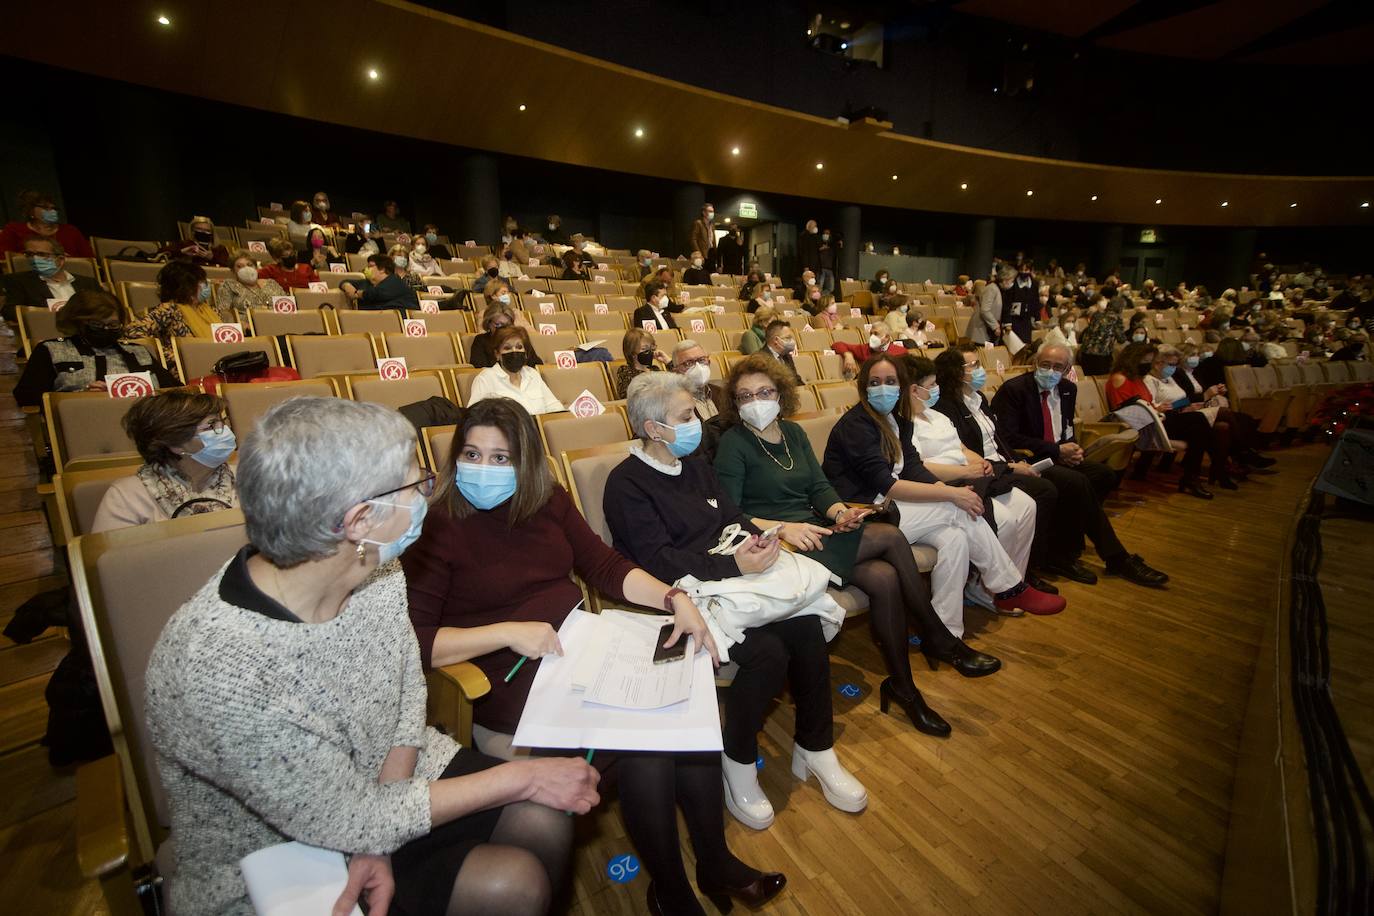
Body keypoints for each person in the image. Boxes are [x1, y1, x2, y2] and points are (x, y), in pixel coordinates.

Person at [145, 397, 597, 916]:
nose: (428, 494)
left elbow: (405, 691)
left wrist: (384, 817)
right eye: (414, 484)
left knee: (545, 816)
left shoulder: (376, 568)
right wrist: (524, 775)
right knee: (511, 881)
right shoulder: (219, 668)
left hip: (389, 777)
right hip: (277, 853)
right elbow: (340, 815)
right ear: (360, 519)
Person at [403, 398, 784, 916]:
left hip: (579, 651)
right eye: (472, 454)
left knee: (685, 712)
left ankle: (713, 861)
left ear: (525, 462)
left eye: (500, 458)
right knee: (648, 746)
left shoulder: (546, 499)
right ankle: (672, 892)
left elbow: (603, 566)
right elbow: (415, 641)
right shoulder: (436, 524)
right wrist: (505, 633)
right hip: (507, 679)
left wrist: (675, 598)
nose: (483, 469)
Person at [609, 372, 867, 832]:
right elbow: (657, 560)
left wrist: (758, 542)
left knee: (807, 628)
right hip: (683, 593)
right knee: (768, 653)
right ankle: (737, 758)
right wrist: (735, 566)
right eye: (685, 417)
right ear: (653, 428)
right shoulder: (627, 483)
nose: (696, 423)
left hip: (731, 580)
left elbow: (732, 516)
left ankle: (815, 748)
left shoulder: (694, 464)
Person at [714, 355, 1000, 738]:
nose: (756, 401)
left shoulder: (793, 433)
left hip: (815, 528)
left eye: (764, 392)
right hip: (781, 542)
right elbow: (731, 514)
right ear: (735, 403)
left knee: (883, 577)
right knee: (889, 536)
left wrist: (839, 512)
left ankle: (904, 688)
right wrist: (785, 529)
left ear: (780, 394)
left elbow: (818, 487)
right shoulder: (733, 444)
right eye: (746, 395)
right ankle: (938, 638)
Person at [822, 354, 1065, 635]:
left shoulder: (897, 419)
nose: (883, 388)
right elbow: (887, 485)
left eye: (890, 381)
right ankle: (1009, 587)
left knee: (955, 538)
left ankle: (946, 632)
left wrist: (945, 490)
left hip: (892, 506)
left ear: (901, 386)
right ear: (864, 387)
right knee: (957, 508)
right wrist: (951, 495)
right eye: (875, 382)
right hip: (861, 514)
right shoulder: (856, 425)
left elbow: (912, 466)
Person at [942, 345, 1167, 588]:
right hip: (1028, 456)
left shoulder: (1066, 389)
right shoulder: (1013, 390)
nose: (1050, 371)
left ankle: (1065, 548)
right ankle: (1113, 557)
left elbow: (1063, 428)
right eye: (1045, 365)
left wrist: (1071, 449)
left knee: (1102, 475)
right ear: (1034, 364)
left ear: (1068, 369)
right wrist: (1048, 453)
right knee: (1072, 483)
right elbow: (1007, 437)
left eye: (1058, 367)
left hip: (1039, 456)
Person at [904, 355, 1039, 588]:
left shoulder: (938, 415)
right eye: (931, 385)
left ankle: (1016, 580)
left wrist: (981, 463)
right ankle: (983, 587)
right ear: (914, 390)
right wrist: (965, 472)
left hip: (971, 475)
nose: (937, 389)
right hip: (945, 482)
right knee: (1005, 521)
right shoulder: (905, 423)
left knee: (1027, 506)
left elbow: (962, 448)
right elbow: (918, 467)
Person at [91, 391, 237, 532]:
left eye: (222, 422)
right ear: (176, 444)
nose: (225, 431)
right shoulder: (126, 497)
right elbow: (112, 549)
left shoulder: (245, 477)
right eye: (211, 426)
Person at [1106, 342, 1231, 498]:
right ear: (1133, 359)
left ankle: (1193, 477)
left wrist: (1159, 409)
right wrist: (1156, 410)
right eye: (1145, 361)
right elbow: (1126, 410)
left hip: (1155, 417)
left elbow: (1147, 404)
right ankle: (1200, 475)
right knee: (1200, 422)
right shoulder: (1120, 378)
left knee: (1202, 426)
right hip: (1143, 424)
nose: (1148, 365)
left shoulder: (1138, 378)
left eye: (1150, 361)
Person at [13, 290, 177, 408]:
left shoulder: (137, 351)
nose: (105, 329)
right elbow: (26, 397)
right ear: (78, 322)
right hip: (86, 423)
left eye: (113, 324)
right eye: (97, 324)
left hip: (147, 423)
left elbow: (174, 390)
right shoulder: (51, 350)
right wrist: (81, 397)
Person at [127, 261, 225, 353]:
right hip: (189, 363)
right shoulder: (170, 309)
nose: (206, 285)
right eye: (202, 282)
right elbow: (133, 332)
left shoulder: (212, 310)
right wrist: (168, 355)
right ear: (187, 286)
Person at [468, 327, 562, 415]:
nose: (514, 351)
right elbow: (474, 417)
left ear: (525, 353)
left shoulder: (533, 374)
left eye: (519, 347)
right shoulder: (485, 379)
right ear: (497, 354)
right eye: (507, 348)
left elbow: (554, 407)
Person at [2, 236, 100, 318]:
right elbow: (10, 312)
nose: (34, 259)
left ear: (60, 259)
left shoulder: (89, 283)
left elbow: (105, 309)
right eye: (29, 254)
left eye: (41, 254)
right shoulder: (17, 281)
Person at [0, 190, 93, 257]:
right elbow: (5, 258)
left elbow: (90, 259)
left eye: (53, 208)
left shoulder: (70, 231)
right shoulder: (13, 230)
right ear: (31, 211)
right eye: (45, 208)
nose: (52, 211)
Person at [215, 250, 285, 322]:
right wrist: (240, 323)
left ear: (256, 267)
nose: (246, 269)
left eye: (250, 265)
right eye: (239, 266)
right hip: (247, 326)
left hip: (278, 322)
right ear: (233, 270)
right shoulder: (229, 285)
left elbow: (287, 305)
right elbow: (223, 313)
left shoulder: (271, 283)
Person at [341, 254, 421, 311]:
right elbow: (344, 281)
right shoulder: (367, 283)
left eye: (370, 266)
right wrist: (346, 285)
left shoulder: (395, 281)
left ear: (382, 269)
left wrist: (359, 294)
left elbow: (378, 293)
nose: (366, 269)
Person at [832, 323, 907, 378]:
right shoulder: (864, 348)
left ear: (886, 337)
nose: (872, 337)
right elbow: (837, 345)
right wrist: (848, 355)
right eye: (871, 334)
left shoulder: (901, 352)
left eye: (876, 334)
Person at [1078, 295, 1127, 376]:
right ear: (1121, 308)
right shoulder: (1116, 318)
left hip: (1085, 351)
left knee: (1088, 378)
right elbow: (1121, 339)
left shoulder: (1097, 314)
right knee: (1100, 378)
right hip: (1101, 355)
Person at [615, 327, 668, 399]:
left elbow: (676, 385)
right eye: (644, 349)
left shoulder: (655, 370)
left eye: (651, 348)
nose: (649, 352)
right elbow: (627, 396)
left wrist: (667, 361)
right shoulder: (626, 371)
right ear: (632, 353)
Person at [161, 216, 230, 266]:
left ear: (212, 233)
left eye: (207, 231)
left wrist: (212, 258)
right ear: (192, 231)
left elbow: (229, 264)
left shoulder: (219, 248)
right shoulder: (184, 244)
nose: (203, 233)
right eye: (199, 229)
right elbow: (161, 253)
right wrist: (182, 252)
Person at [757, 320, 802, 384]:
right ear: (776, 340)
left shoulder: (787, 356)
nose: (792, 341)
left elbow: (796, 379)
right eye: (788, 338)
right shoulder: (760, 359)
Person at [965, 273, 1004, 344]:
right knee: (982, 349)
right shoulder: (992, 288)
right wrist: (995, 326)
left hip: (988, 327)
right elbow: (985, 310)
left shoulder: (995, 288)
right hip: (983, 327)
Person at [691, 204, 716, 271]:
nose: (712, 213)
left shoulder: (712, 225)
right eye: (710, 211)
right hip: (703, 252)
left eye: (713, 211)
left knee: (712, 272)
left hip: (711, 252)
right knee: (703, 271)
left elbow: (713, 240)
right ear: (704, 213)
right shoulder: (698, 223)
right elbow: (693, 239)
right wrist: (698, 252)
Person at [816, 228, 838, 295]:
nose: (826, 235)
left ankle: (824, 298)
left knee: (831, 288)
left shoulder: (832, 246)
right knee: (819, 287)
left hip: (830, 269)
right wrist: (820, 249)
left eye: (827, 233)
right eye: (825, 233)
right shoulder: (819, 244)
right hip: (821, 269)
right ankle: (820, 298)